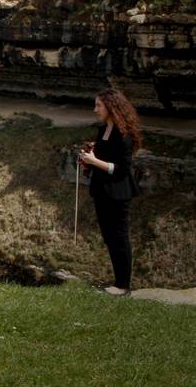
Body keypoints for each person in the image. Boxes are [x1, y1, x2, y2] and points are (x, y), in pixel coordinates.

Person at [79, 88, 143, 296]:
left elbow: (122, 169)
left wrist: (94, 161)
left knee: (119, 237)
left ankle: (123, 286)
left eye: (99, 105)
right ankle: (118, 281)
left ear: (111, 107)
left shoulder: (123, 135)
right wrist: (90, 158)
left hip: (118, 192)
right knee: (109, 237)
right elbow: (103, 158)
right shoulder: (103, 130)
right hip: (102, 191)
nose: (94, 109)